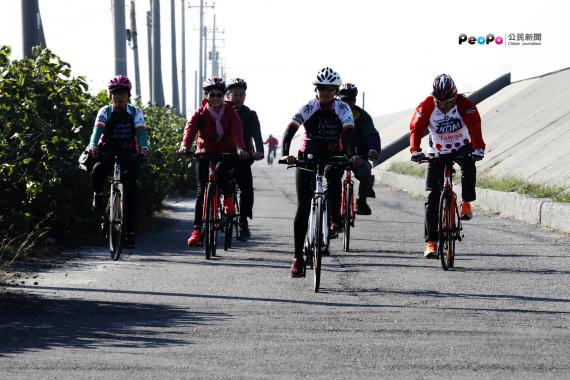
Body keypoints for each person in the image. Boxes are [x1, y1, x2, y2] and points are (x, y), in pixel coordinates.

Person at [281, 67, 362, 277]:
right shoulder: (309, 106)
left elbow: (349, 133)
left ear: (335, 91)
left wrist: (352, 154)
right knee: (303, 207)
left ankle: (335, 217)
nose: (325, 92)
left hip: (335, 152)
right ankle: (298, 257)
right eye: (321, 89)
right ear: (316, 90)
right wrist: (284, 153)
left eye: (329, 89)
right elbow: (291, 129)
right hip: (308, 152)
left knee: (334, 176)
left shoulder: (343, 108)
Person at [409, 74, 485, 258]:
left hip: (462, 145)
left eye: (448, 102)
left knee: (469, 165)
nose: (443, 106)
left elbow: (475, 125)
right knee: (432, 197)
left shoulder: (465, 105)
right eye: (439, 102)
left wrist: (478, 148)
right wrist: (415, 150)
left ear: (455, 96)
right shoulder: (426, 106)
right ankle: (431, 242)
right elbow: (416, 128)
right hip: (437, 148)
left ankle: (466, 202)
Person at [178, 76, 249, 247]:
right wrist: (184, 146)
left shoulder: (230, 111)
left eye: (219, 94)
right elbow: (190, 130)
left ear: (224, 95)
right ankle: (196, 231)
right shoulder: (199, 113)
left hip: (226, 152)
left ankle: (229, 199)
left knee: (222, 170)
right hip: (205, 151)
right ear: (206, 95)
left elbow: (237, 131)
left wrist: (240, 147)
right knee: (201, 191)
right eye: (212, 94)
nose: (215, 98)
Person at [88, 75, 150, 249]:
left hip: (129, 152)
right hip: (107, 150)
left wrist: (144, 147)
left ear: (128, 95)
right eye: (116, 93)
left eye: (123, 93)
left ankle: (129, 234)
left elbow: (141, 132)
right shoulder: (105, 111)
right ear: (110, 96)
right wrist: (93, 146)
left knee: (131, 192)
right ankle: (98, 196)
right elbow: (97, 131)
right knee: (98, 169)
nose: (120, 96)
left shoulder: (135, 111)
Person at [225, 77, 264, 241]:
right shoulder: (221, 111)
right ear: (227, 95)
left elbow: (256, 135)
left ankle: (243, 222)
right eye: (235, 94)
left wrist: (259, 151)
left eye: (242, 94)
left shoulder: (250, 114)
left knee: (247, 189)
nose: (239, 97)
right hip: (224, 154)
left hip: (244, 156)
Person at [337, 82, 381, 215]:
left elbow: (371, 134)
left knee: (366, 172)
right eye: (344, 100)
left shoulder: (362, 116)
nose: (347, 103)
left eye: (350, 100)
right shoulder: (332, 113)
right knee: (331, 178)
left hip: (359, 155)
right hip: (336, 155)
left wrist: (373, 149)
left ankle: (361, 201)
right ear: (338, 98)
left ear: (355, 101)